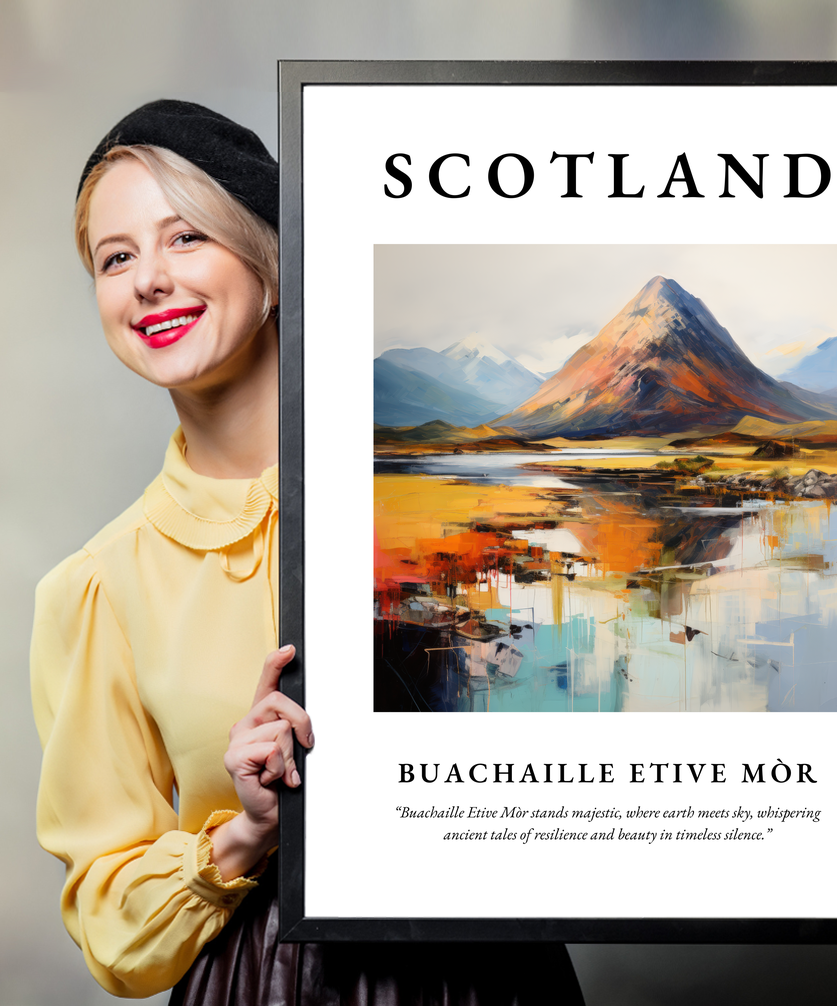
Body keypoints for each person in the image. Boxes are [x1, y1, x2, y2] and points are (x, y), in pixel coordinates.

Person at [30, 100, 586, 1004]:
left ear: (273, 262)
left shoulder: (443, 508)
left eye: (186, 237)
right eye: (115, 258)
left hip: (490, 972)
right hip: (263, 982)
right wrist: (245, 833)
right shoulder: (98, 587)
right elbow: (110, 924)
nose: (149, 281)